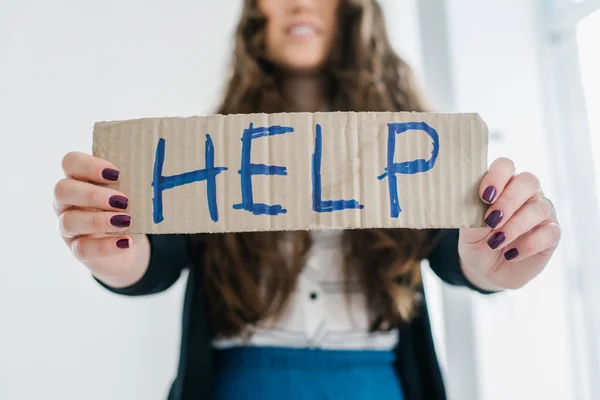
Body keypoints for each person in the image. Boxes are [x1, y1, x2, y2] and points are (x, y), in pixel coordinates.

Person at [52, 1, 561, 399]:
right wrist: (113, 251)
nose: (299, 3)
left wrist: (493, 257)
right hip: (238, 386)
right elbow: (162, 252)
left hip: (375, 386)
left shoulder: (413, 147)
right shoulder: (203, 147)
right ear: (258, 13)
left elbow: (451, 248)